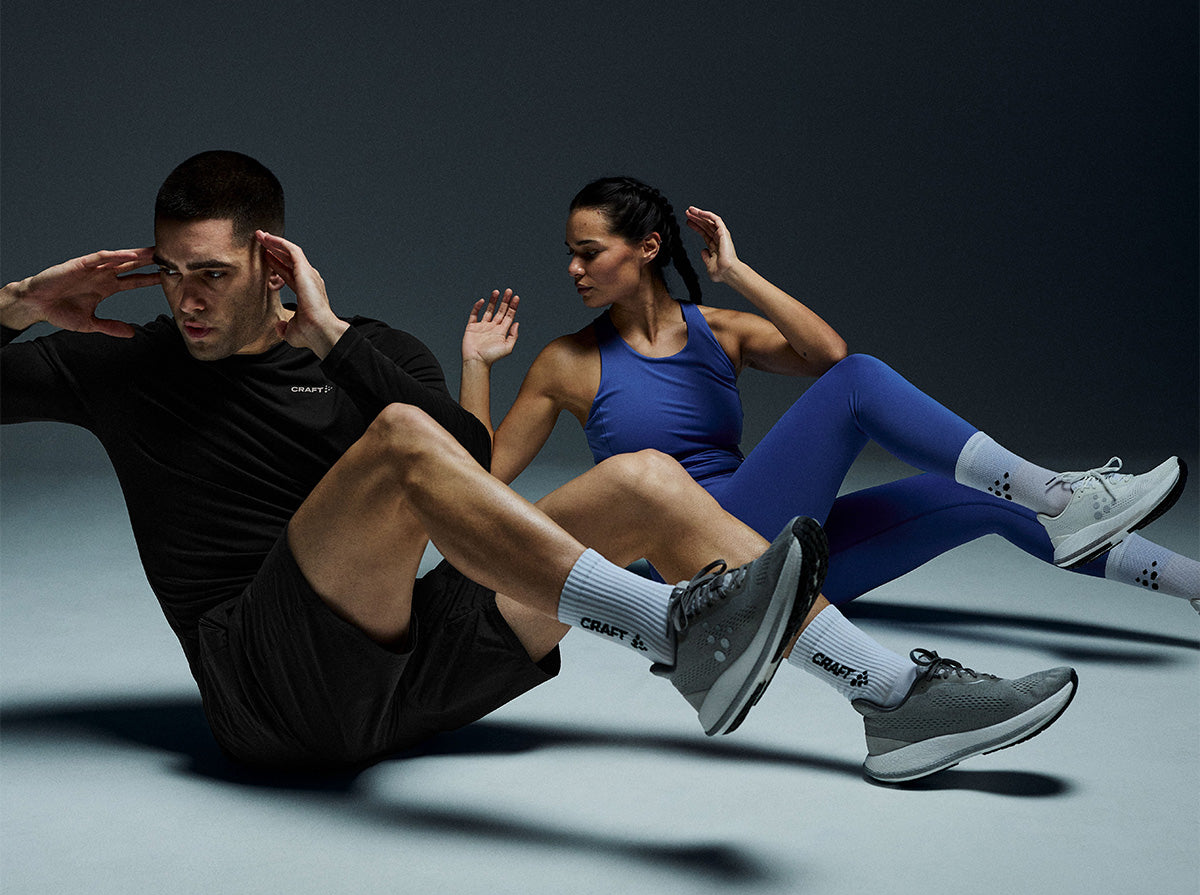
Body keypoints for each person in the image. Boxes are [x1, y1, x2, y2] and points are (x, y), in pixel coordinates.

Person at [0, 153, 1075, 784]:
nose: (184, 299)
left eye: (212, 274)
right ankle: (671, 628)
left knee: (649, 478)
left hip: (405, 674)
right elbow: (420, 459)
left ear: (273, 263)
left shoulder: (361, 349)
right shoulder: (116, 366)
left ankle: (889, 697)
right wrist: (14, 307)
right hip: (268, 692)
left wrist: (330, 335)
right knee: (402, 449)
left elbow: (465, 467)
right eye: (171, 274)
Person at [460, 175, 1197, 740]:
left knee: (988, 502)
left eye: (588, 252)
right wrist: (478, 365)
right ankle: (1065, 496)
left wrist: (738, 275)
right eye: (571, 255)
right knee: (861, 383)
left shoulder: (719, 330)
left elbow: (822, 352)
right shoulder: (567, 362)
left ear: (646, 248)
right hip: (701, 560)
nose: (573, 269)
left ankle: (1186, 579)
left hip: (783, 552)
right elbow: (478, 481)